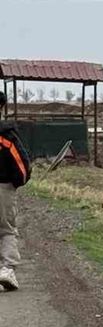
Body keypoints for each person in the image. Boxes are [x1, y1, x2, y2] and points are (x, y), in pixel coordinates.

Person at [0, 91, 31, 291]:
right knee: (6, 230)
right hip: (3, 188)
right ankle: (6, 269)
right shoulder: (6, 135)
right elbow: (22, 165)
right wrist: (17, 182)